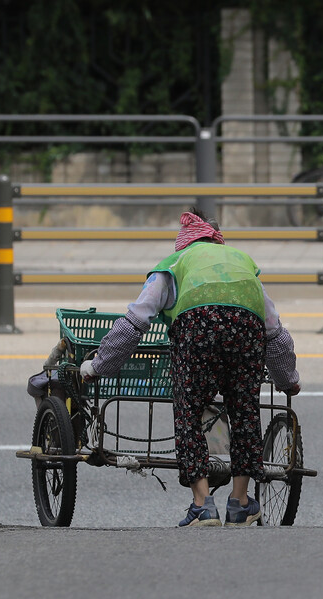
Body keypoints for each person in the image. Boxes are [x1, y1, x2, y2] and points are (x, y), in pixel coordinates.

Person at [80, 209, 301, 527]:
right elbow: (274, 332)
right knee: (244, 412)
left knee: (189, 410)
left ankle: (202, 505)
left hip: (197, 330)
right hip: (246, 330)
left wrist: (99, 366)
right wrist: (288, 379)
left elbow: (135, 322)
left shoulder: (173, 265)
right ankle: (240, 503)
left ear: (184, 243)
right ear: (216, 240)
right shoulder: (241, 261)